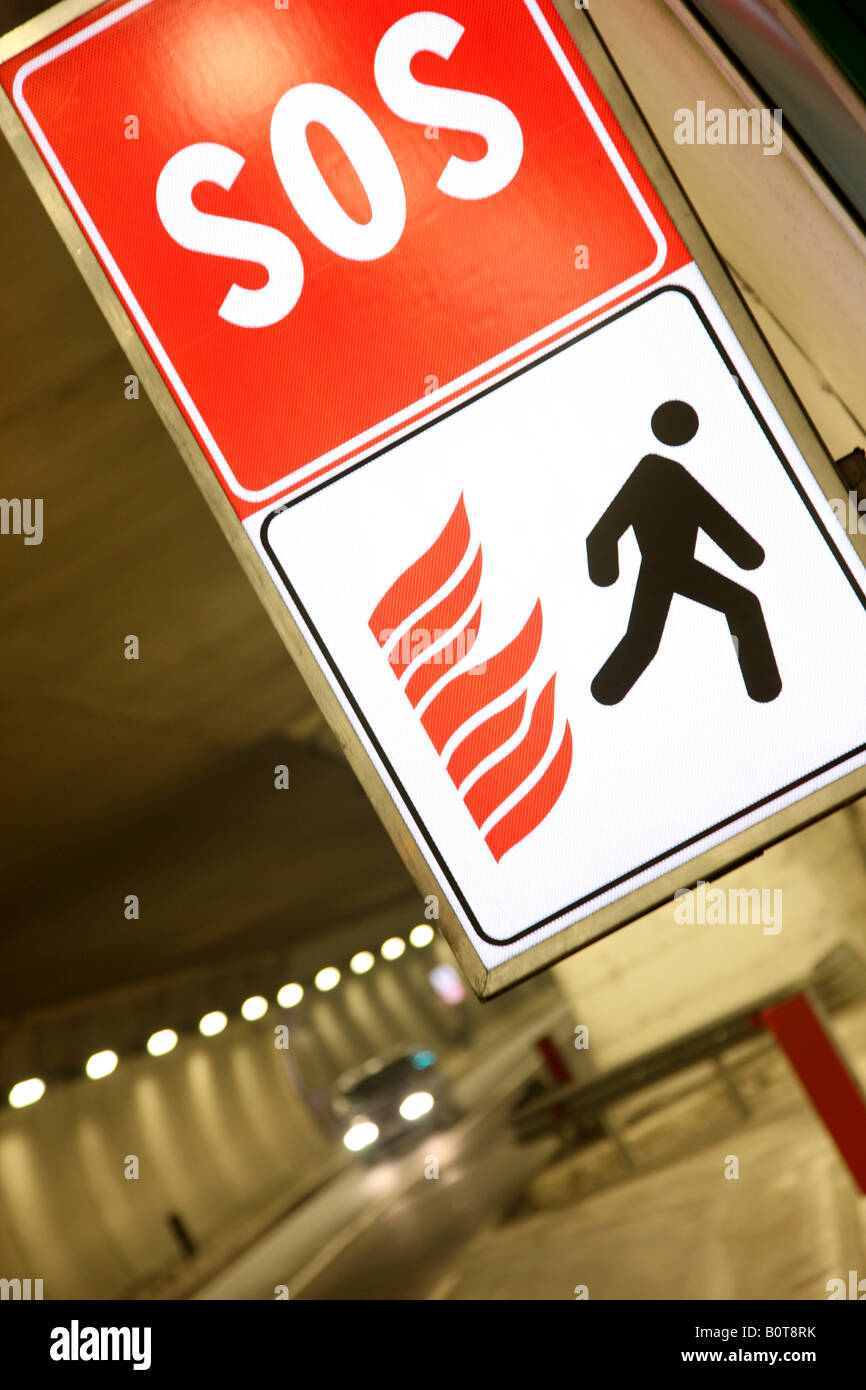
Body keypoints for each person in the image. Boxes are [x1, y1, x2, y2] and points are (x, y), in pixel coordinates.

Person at [586, 399, 782, 705]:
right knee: (740, 605)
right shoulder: (655, 475)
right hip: (667, 567)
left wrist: (746, 554)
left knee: (645, 638)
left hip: (668, 568)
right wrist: (604, 567)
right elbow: (604, 532)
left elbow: (710, 517)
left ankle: (606, 690)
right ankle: (762, 686)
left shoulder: (667, 476)